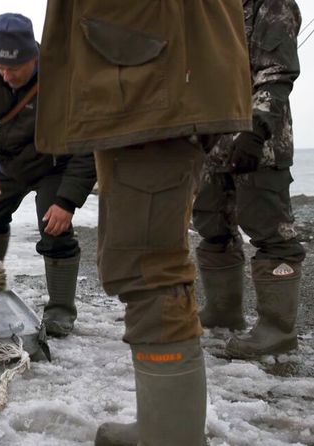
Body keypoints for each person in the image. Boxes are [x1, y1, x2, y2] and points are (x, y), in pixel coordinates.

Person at [35, 1, 252, 445]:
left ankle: (170, 435)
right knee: (133, 263)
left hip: (149, 83)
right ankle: (163, 424)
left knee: (151, 269)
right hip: (134, 82)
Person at [0, 13, 97, 337]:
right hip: (10, 163)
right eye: (1, 68)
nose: (6, 75)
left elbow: (89, 142)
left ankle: (61, 312)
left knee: (54, 229)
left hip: (55, 165)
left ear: (34, 57)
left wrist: (67, 201)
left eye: (15, 68)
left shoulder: (63, 75)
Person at [192, 0, 305, 360]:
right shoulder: (209, 8)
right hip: (211, 142)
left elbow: (276, 71)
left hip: (259, 143)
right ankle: (224, 311)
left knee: (271, 231)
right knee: (212, 225)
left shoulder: (270, 4)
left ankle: (278, 329)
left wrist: (257, 128)